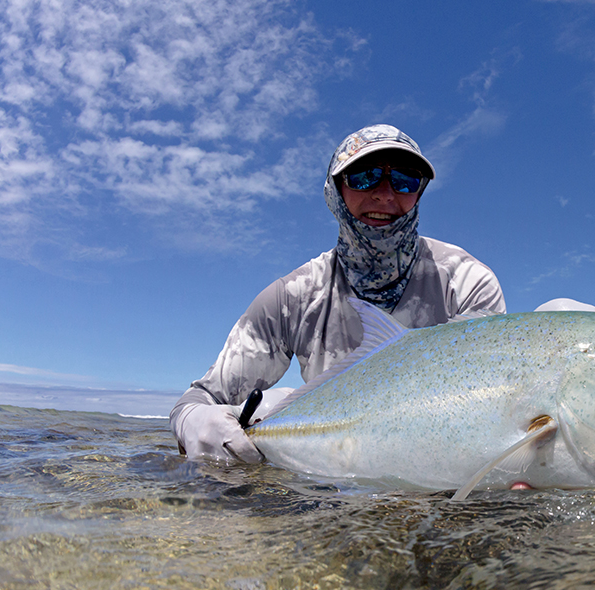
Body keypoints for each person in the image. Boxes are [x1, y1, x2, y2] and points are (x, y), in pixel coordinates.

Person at [170, 124, 506, 462]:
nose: (385, 195)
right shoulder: (292, 297)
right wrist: (193, 421)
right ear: (335, 191)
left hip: (438, 461)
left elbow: (491, 404)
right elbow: (197, 400)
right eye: (364, 176)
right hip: (330, 465)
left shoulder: (466, 283)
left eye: (405, 179)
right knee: (271, 404)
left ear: (419, 193)